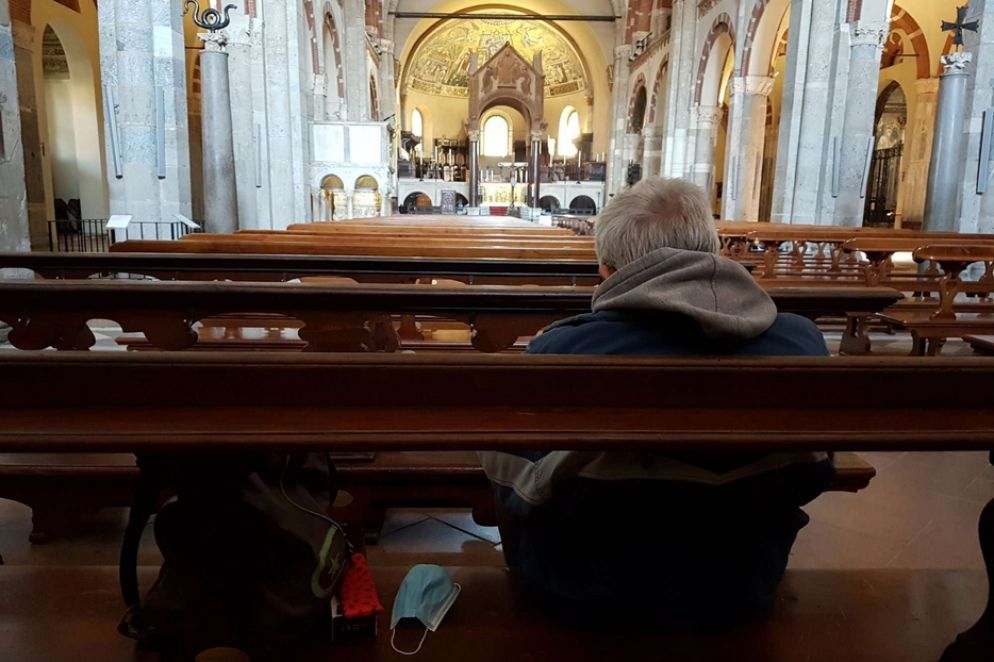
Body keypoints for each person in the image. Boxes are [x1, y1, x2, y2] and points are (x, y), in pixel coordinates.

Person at [480, 177, 835, 627]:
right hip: (742, 584)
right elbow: (817, 470)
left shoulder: (562, 352)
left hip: (582, 592)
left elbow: (512, 477)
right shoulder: (799, 342)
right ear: (716, 248)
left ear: (606, 270)